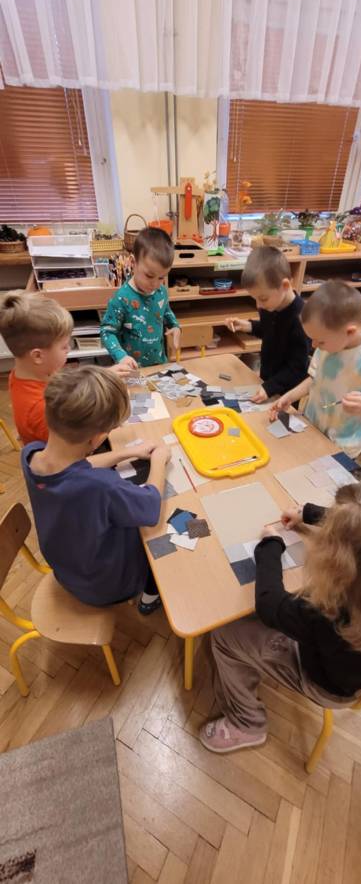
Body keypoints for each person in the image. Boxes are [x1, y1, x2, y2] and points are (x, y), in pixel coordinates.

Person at [199, 478, 361, 753]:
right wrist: (309, 513)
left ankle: (247, 724)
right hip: (355, 672)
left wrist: (270, 546)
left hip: (324, 683)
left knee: (225, 635)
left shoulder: (333, 613)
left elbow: (269, 605)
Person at [21, 366, 170, 613]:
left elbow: (77, 467)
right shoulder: (102, 486)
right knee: (160, 543)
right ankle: (149, 596)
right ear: (99, 437)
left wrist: (126, 452)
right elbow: (150, 507)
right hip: (107, 585)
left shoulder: (31, 454)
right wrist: (158, 460)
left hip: (70, 570)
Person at [268, 280, 361, 456]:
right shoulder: (329, 343)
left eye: (320, 341)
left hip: (343, 446)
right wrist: (290, 396)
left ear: (350, 332)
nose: (314, 345)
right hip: (312, 429)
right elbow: (315, 378)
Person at [0, 291, 134, 459]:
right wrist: (116, 415)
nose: (69, 349)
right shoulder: (42, 410)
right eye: (64, 346)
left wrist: (103, 375)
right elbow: (83, 451)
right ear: (38, 356)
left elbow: (65, 383)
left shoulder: (27, 372)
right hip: (68, 464)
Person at [225, 247, 309, 403]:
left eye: (263, 298)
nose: (258, 305)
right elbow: (270, 330)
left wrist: (270, 387)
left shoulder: (302, 320)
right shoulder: (271, 306)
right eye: (255, 299)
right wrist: (248, 326)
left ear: (285, 286)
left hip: (287, 394)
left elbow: (298, 368)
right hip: (266, 381)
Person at [100, 227, 180, 368]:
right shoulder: (121, 298)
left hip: (159, 365)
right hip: (131, 369)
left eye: (161, 277)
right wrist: (121, 356)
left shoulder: (161, 292)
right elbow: (107, 331)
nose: (155, 284)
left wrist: (175, 326)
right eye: (149, 276)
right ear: (133, 262)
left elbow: (166, 311)